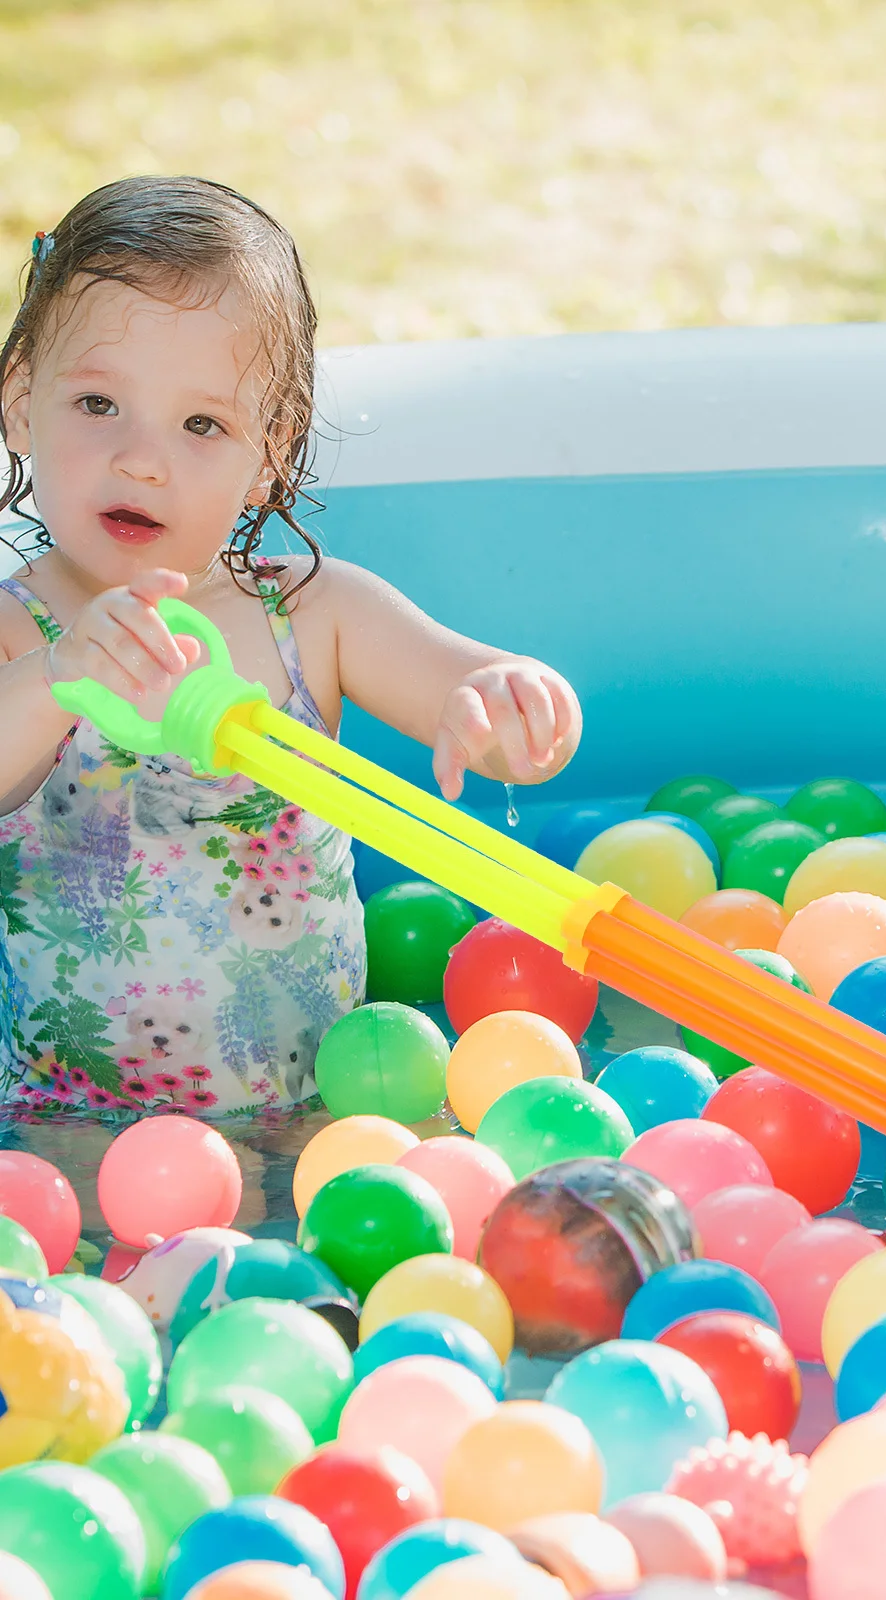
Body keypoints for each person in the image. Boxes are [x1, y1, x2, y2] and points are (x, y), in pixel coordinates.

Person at [0, 176, 581, 1117]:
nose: (143, 459)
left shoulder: (311, 614)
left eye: (202, 424)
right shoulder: (21, 633)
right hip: (69, 1133)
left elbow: (471, 691)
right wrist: (57, 676)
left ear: (269, 451)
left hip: (317, 1121)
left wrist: (514, 705)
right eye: (99, 404)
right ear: (21, 402)